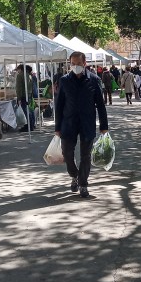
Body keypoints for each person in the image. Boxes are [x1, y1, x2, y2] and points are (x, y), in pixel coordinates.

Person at [54, 51, 109, 199]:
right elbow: (59, 105)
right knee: (67, 153)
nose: (75, 66)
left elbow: (100, 105)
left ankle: (83, 184)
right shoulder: (64, 81)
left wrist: (104, 126)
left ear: (84, 63)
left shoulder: (94, 80)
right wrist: (57, 128)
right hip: (68, 123)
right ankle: (74, 175)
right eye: (73, 64)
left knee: (85, 155)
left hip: (87, 123)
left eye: (78, 63)